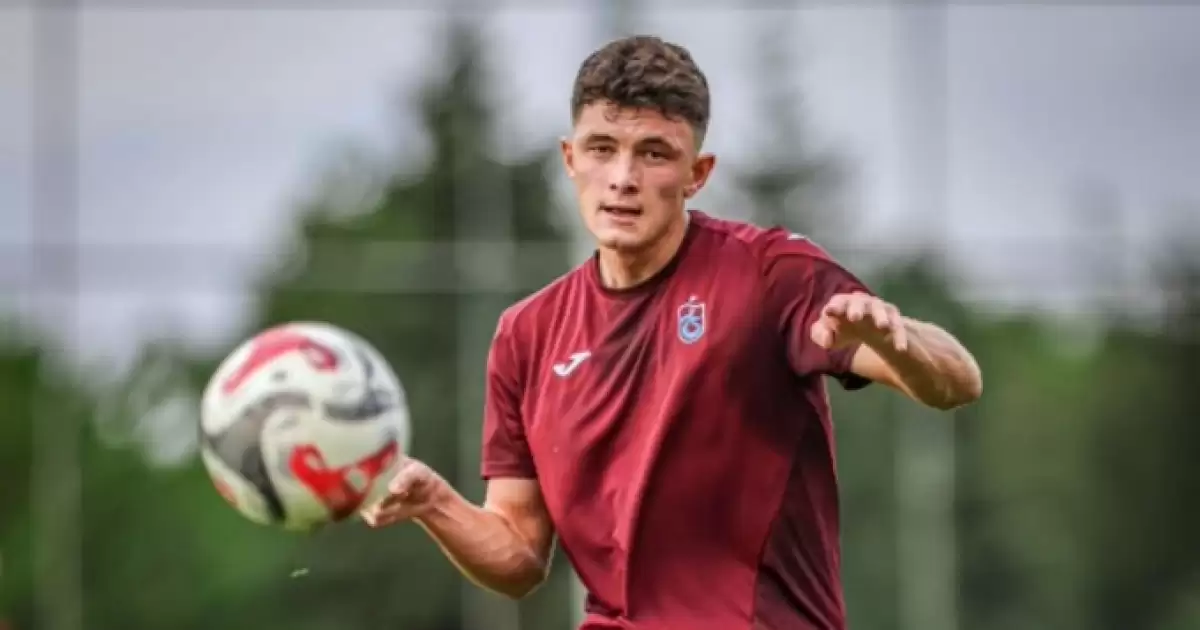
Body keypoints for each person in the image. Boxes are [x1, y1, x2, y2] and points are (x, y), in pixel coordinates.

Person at [361, 35, 982, 630]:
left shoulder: (768, 275)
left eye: (654, 153)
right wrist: (436, 503)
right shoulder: (526, 334)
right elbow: (520, 553)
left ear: (697, 173)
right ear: (570, 159)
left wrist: (898, 338)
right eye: (602, 148)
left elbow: (958, 382)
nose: (622, 177)